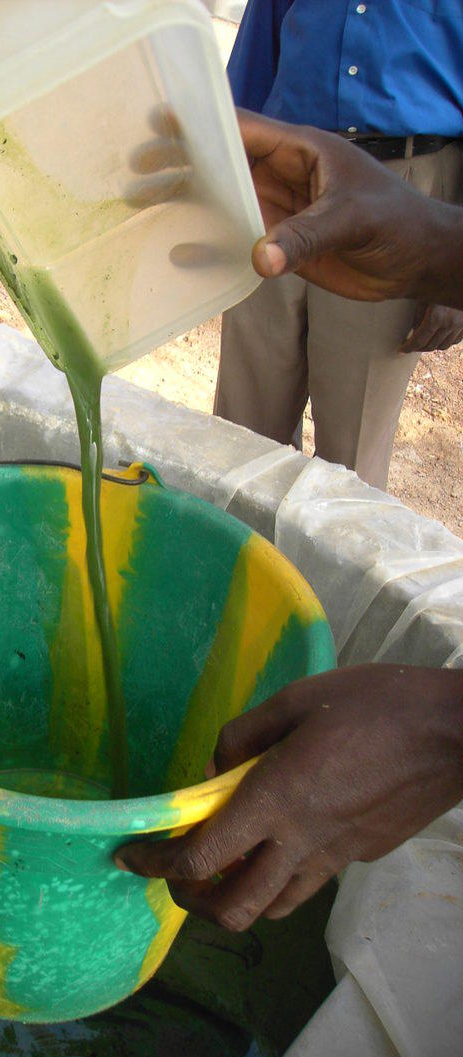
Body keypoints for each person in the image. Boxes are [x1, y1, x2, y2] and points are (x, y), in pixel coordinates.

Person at [115, 111, 463, 932]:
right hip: (332, 197)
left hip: (408, 171)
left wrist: (447, 729)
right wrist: (443, 247)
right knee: (244, 430)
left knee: (350, 479)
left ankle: (323, 673)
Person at [215, 0, 463, 490]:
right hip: (283, 174)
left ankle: (323, 570)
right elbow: (255, 55)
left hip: (405, 188)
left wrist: (452, 262)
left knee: (350, 462)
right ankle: (236, 560)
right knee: (240, 434)